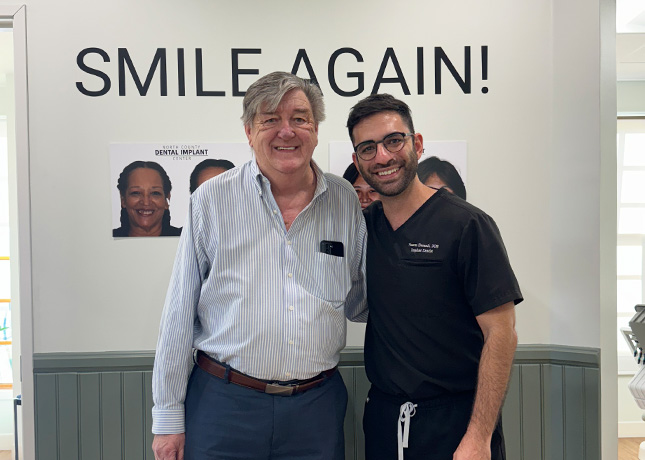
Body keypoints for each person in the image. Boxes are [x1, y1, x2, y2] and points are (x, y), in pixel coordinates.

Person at [152, 71, 367, 460]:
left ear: (315, 130)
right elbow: (178, 313)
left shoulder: (345, 200)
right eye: (270, 119)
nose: (287, 131)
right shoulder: (211, 200)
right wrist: (167, 418)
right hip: (224, 404)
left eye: (299, 118)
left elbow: (361, 302)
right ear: (249, 132)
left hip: (315, 408)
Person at [346, 94, 522, 460]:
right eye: (368, 148)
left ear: (417, 143)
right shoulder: (363, 230)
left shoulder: (468, 225)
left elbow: (501, 333)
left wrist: (479, 437)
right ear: (357, 160)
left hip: (457, 424)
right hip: (384, 419)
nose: (382, 156)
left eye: (394, 140)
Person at [113, 161, 182, 237]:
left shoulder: (186, 238)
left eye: (155, 193)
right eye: (136, 193)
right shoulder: (106, 239)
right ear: (123, 199)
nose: (146, 202)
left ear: (166, 200)